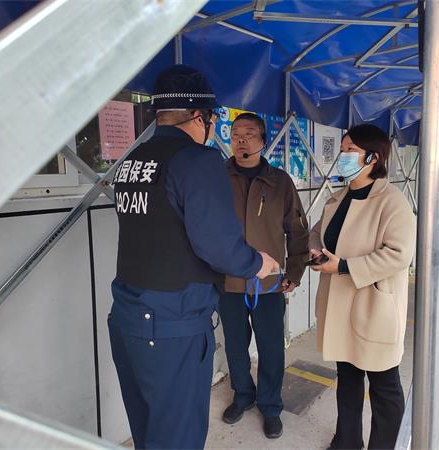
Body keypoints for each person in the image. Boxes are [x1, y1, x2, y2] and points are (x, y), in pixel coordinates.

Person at [108, 64, 280, 450]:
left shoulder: (133, 161)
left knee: (149, 433)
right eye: (214, 119)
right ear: (200, 116)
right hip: (173, 324)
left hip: (128, 317)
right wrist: (258, 263)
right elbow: (218, 245)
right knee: (178, 437)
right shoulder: (197, 160)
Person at [309, 124, 416, 450]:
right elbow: (317, 233)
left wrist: (344, 266)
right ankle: (347, 441)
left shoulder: (392, 202)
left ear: (373, 157)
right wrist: (315, 250)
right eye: (342, 149)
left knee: (384, 387)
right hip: (339, 307)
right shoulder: (338, 198)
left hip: (373, 308)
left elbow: (399, 254)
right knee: (348, 380)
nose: (342, 156)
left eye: (350, 150)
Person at [219, 113, 309, 439]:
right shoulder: (218, 177)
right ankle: (243, 395)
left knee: (271, 350)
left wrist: (294, 272)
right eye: (235, 134)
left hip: (268, 284)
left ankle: (270, 406)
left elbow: (297, 230)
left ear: (262, 140)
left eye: (248, 133)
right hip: (228, 282)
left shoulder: (280, 182)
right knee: (235, 347)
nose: (240, 139)